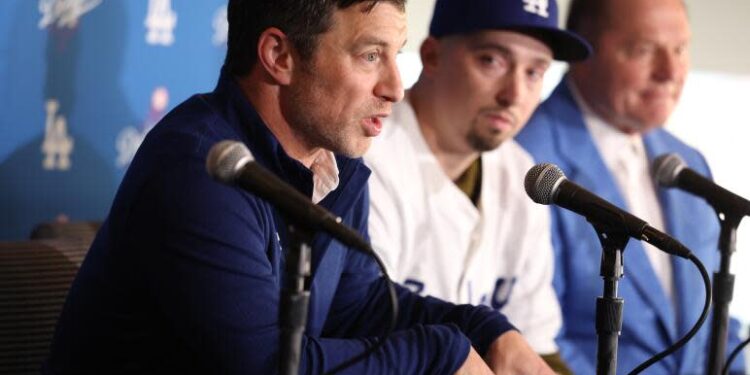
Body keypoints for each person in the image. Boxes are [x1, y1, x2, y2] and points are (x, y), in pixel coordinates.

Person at [44, 0, 555, 374]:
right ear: (279, 56)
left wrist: (486, 331)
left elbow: (359, 308)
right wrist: (439, 353)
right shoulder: (199, 167)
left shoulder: (333, 166)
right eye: (370, 56)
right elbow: (270, 366)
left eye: (395, 55)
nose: (396, 87)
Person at [516, 0, 746, 373]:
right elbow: (534, 338)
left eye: (680, 49)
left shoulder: (687, 160)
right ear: (583, 51)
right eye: (643, 50)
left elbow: (714, 316)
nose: (669, 72)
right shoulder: (528, 160)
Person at [364, 0, 590, 373]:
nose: (514, 94)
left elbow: (536, 345)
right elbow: (355, 332)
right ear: (433, 56)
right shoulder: (369, 158)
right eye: (492, 61)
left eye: (535, 72)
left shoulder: (522, 175)